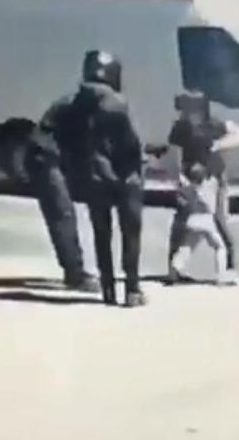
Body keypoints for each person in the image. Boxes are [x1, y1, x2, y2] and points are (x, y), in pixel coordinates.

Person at [75, 50, 147, 307]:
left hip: (95, 173)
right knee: (130, 232)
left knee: (101, 232)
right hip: (124, 173)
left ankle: (108, 288)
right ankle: (132, 288)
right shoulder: (117, 102)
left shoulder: (75, 102)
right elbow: (131, 142)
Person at [165, 91, 239, 284]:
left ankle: (226, 269)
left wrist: (218, 144)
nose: (186, 114)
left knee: (218, 223)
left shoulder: (214, 125)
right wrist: (177, 176)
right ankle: (174, 270)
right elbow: (175, 153)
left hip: (214, 179)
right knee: (183, 225)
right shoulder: (180, 127)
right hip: (191, 180)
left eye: (189, 109)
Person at [24, 93, 100, 293]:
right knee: (62, 212)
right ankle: (74, 274)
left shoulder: (83, 101)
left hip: (53, 156)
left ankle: (74, 270)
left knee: (63, 211)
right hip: (45, 157)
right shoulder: (80, 104)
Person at [170, 163, 239, 286]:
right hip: (205, 220)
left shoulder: (186, 189)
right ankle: (221, 276)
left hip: (191, 220)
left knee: (188, 246)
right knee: (220, 247)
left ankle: (174, 271)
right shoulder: (206, 188)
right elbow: (211, 204)